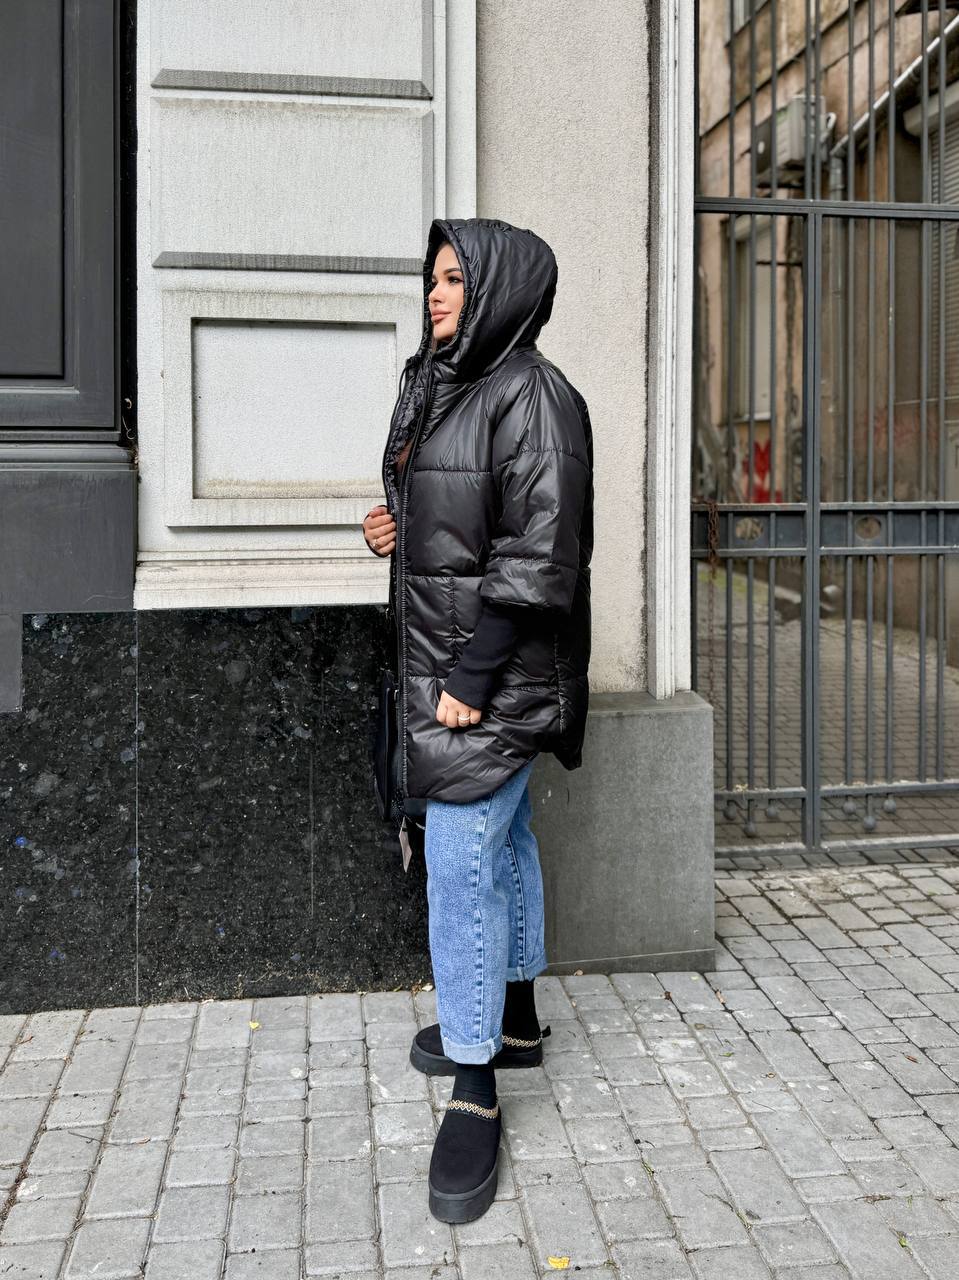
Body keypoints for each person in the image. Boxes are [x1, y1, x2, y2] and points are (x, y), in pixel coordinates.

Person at [362, 217, 593, 1224]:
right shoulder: (446, 383)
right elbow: (459, 518)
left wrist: (472, 674)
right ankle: (517, 1018)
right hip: (450, 666)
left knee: (459, 860)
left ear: (500, 287)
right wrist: (394, 524)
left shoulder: (533, 395)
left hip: (488, 677)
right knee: (506, 837)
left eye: (456, 278)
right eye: (433, 277)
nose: (436, 292)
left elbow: (539, 554)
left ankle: (474, 1081)